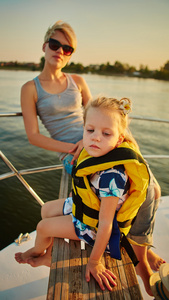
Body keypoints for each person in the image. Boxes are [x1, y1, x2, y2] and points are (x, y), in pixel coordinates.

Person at [15, 97, 165, 294]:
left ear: (119, 139)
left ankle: (37, 253)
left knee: (42, 227)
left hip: (93, 227)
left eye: (106, 133)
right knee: (46, 209)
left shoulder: (111, 177)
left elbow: (105, 223)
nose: (95, 137)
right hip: (84, 206)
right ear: (83, 129)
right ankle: (50, 254)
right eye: (90, 130)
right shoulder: (93, 153)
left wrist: (95, 261)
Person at [20, 20, 92, 174]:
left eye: (67, 49)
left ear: (70, 56)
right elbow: (33, 136)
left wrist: (88, 142)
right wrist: (75, 148)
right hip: (70, 153)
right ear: (44, 46)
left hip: (93, 141)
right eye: (54, 45)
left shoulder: (78, 81)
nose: (60, 51)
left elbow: (96, 115)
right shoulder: (30, 89)